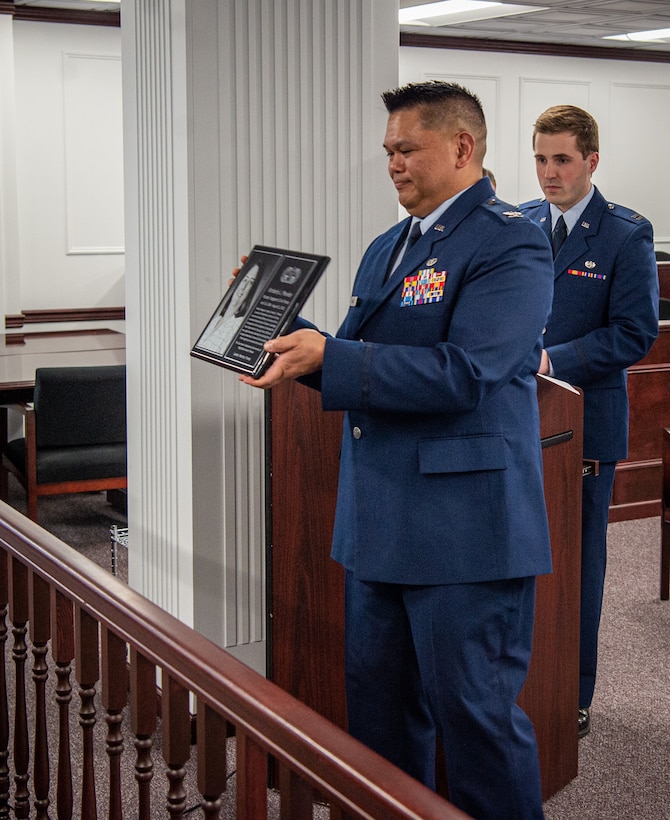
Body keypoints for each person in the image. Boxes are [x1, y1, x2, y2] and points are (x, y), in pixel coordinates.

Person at [239, 81, 554, 819]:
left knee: (475, 727)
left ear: (462, 147)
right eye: (388, 151)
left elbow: (469, 371)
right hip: (380, 523)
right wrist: (286, 331)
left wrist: (332, 357)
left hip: (465, 533)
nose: (393, 164)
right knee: (380, 732)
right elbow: (368, 361)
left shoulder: (510, 238)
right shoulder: (391, 245)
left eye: (406, 149)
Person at [519, 104, 659, 738]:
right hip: (516, 420)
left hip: (585, 427)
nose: (549, 172)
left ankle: (573, 694)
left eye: (562, 160)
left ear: (591, 161)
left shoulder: (624, 233)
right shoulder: (516, 223)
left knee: (578, 565)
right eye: (542, 158)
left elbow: (633, 334)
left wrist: (556, 356)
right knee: (517, 560)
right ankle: (523, 681)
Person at [198, 259, 262, 355]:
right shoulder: (215, 320)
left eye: (251, 282)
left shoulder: (240, 325)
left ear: (252, 290)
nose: (244, 286)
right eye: (245, 279)